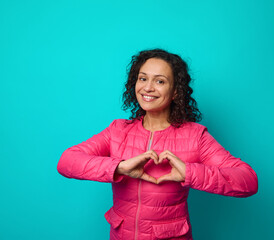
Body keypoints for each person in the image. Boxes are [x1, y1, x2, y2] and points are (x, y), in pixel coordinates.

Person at [57, 49, 258, 240]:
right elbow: (67, 161)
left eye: (160, 81)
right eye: (143, 78)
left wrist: (189, 173)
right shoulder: (118, 130)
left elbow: (248, 180)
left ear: (176, 92)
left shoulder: (196, 136)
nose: (148, 87)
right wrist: (120, 167)